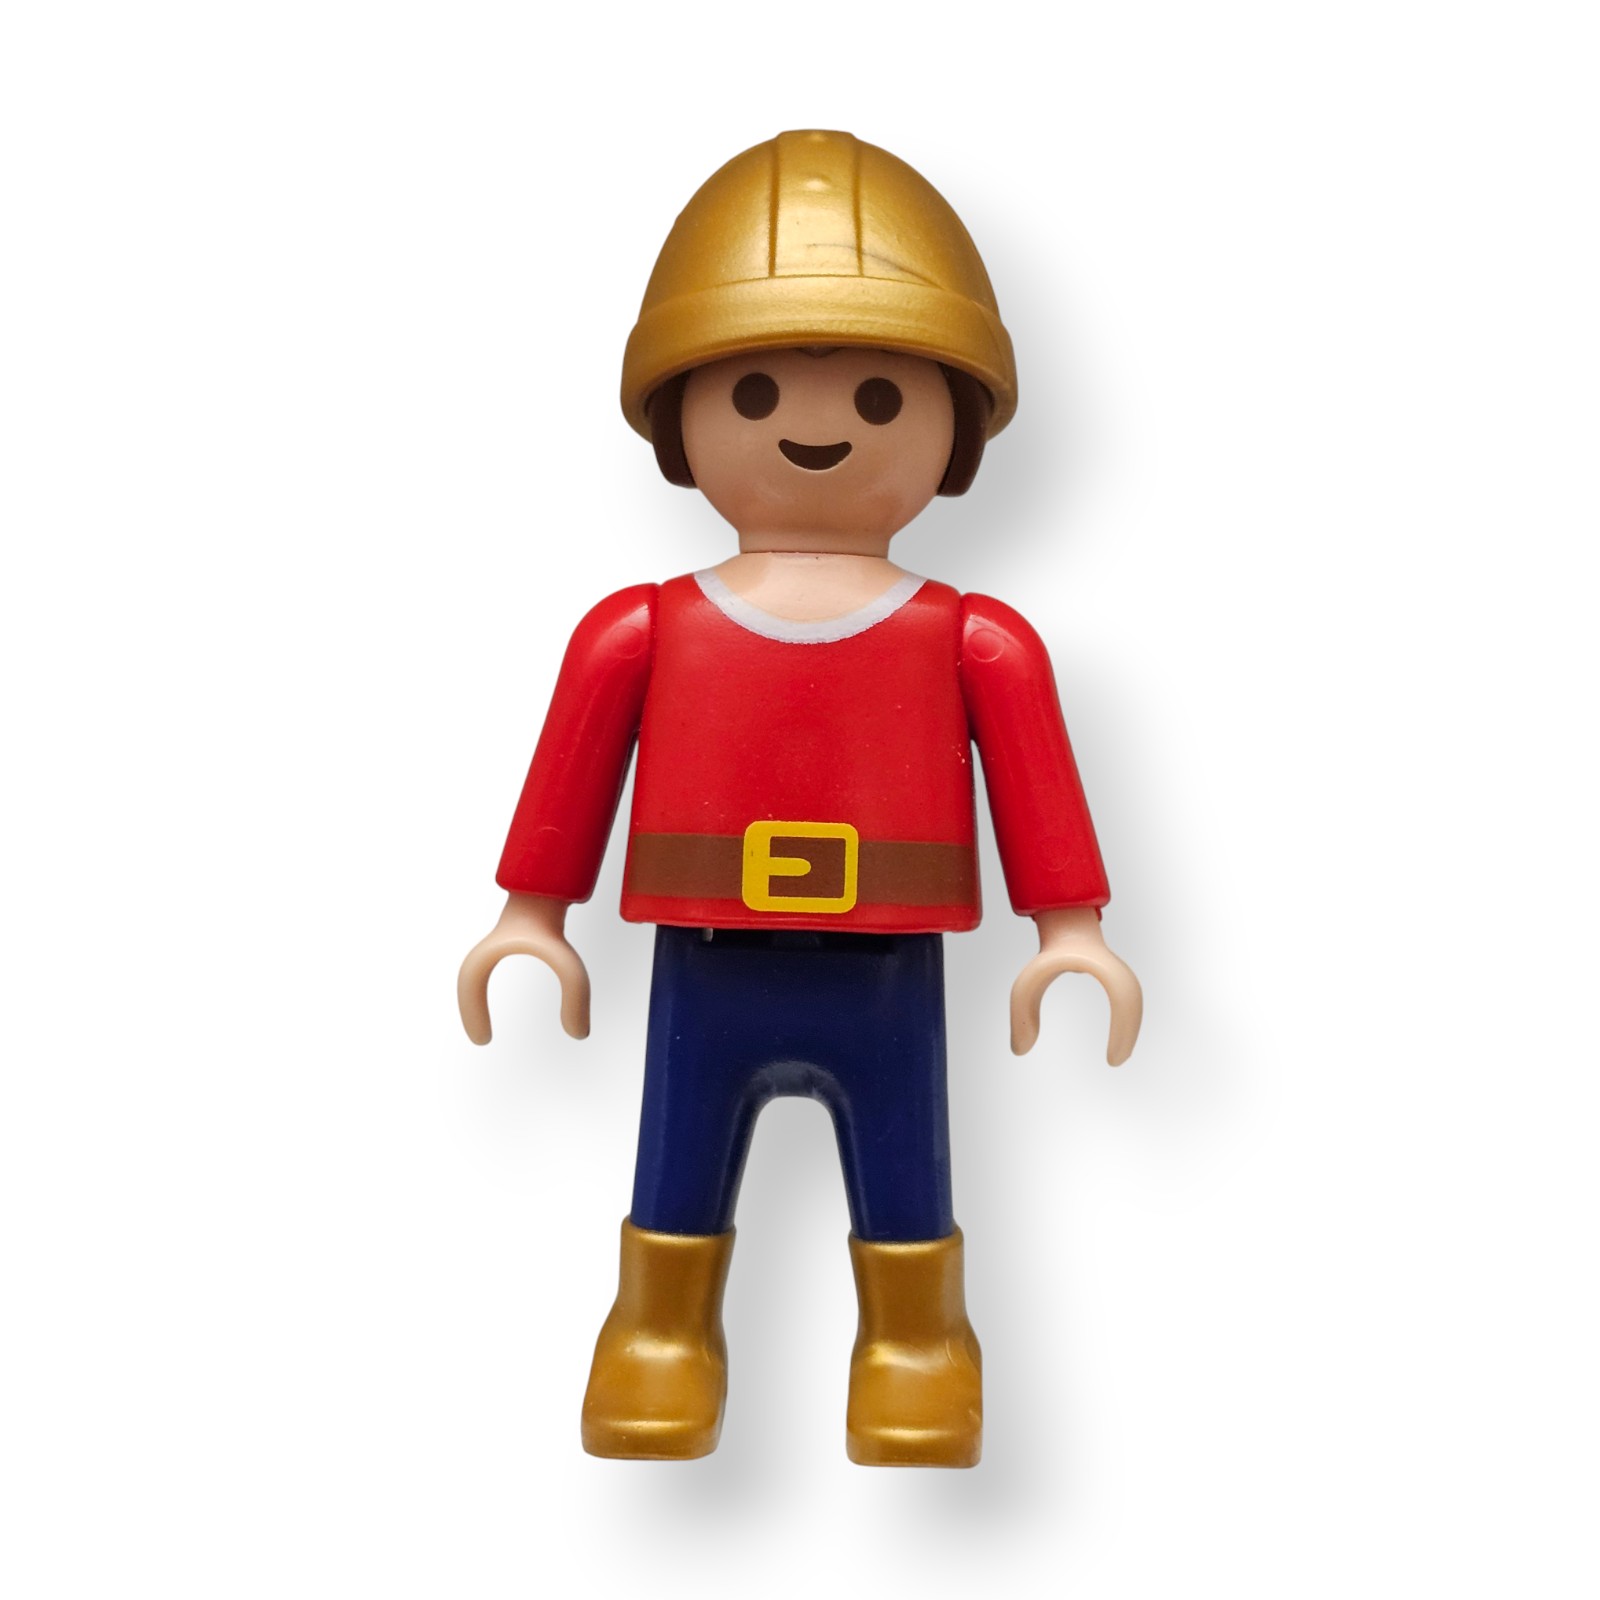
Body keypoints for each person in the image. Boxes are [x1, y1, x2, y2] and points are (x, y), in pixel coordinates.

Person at [457, 130, 1142, 1468]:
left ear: (954, 429)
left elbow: (1037, 784)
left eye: (882, 397)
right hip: (703, 960)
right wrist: (531, 914)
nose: (818, 427)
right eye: (757, 388)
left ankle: (917, 1342)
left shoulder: (974, 640)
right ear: (680, 417)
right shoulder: (642, 630)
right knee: (676, 1151)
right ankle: (659, 1329)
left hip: (885, 971)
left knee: (905, 1161)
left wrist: (1072, 929)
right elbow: (573, 774)